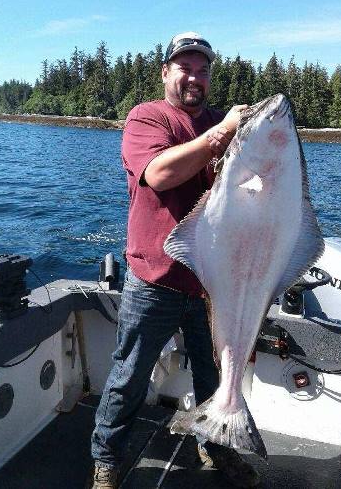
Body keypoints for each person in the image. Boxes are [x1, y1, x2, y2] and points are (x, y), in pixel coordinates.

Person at [90, 32, 259, 488]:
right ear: (165, 72)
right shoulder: (148, 117)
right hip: (155, 280)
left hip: (213, 285)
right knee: (129, 377)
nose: (195, 78)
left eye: (203, 70)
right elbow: (160, 175)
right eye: (185, 68)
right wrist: (222, 132)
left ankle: (218, 449)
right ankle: (107, 461)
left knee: (217, 379)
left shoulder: (226, 121)